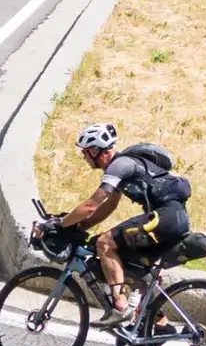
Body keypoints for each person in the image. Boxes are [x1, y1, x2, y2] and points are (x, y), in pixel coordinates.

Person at [44, 124, 193, 329]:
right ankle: (159, 324)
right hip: (172, 219)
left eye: (85, 152)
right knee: (128, 264)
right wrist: (81, 227)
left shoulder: (120, 165)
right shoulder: (122, 168)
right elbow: (109, 207)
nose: (84, 157)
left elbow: (92, 204)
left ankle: (120, 307)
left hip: (166, 218)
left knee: (105, 243)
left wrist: (61, 223)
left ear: (95, 151)